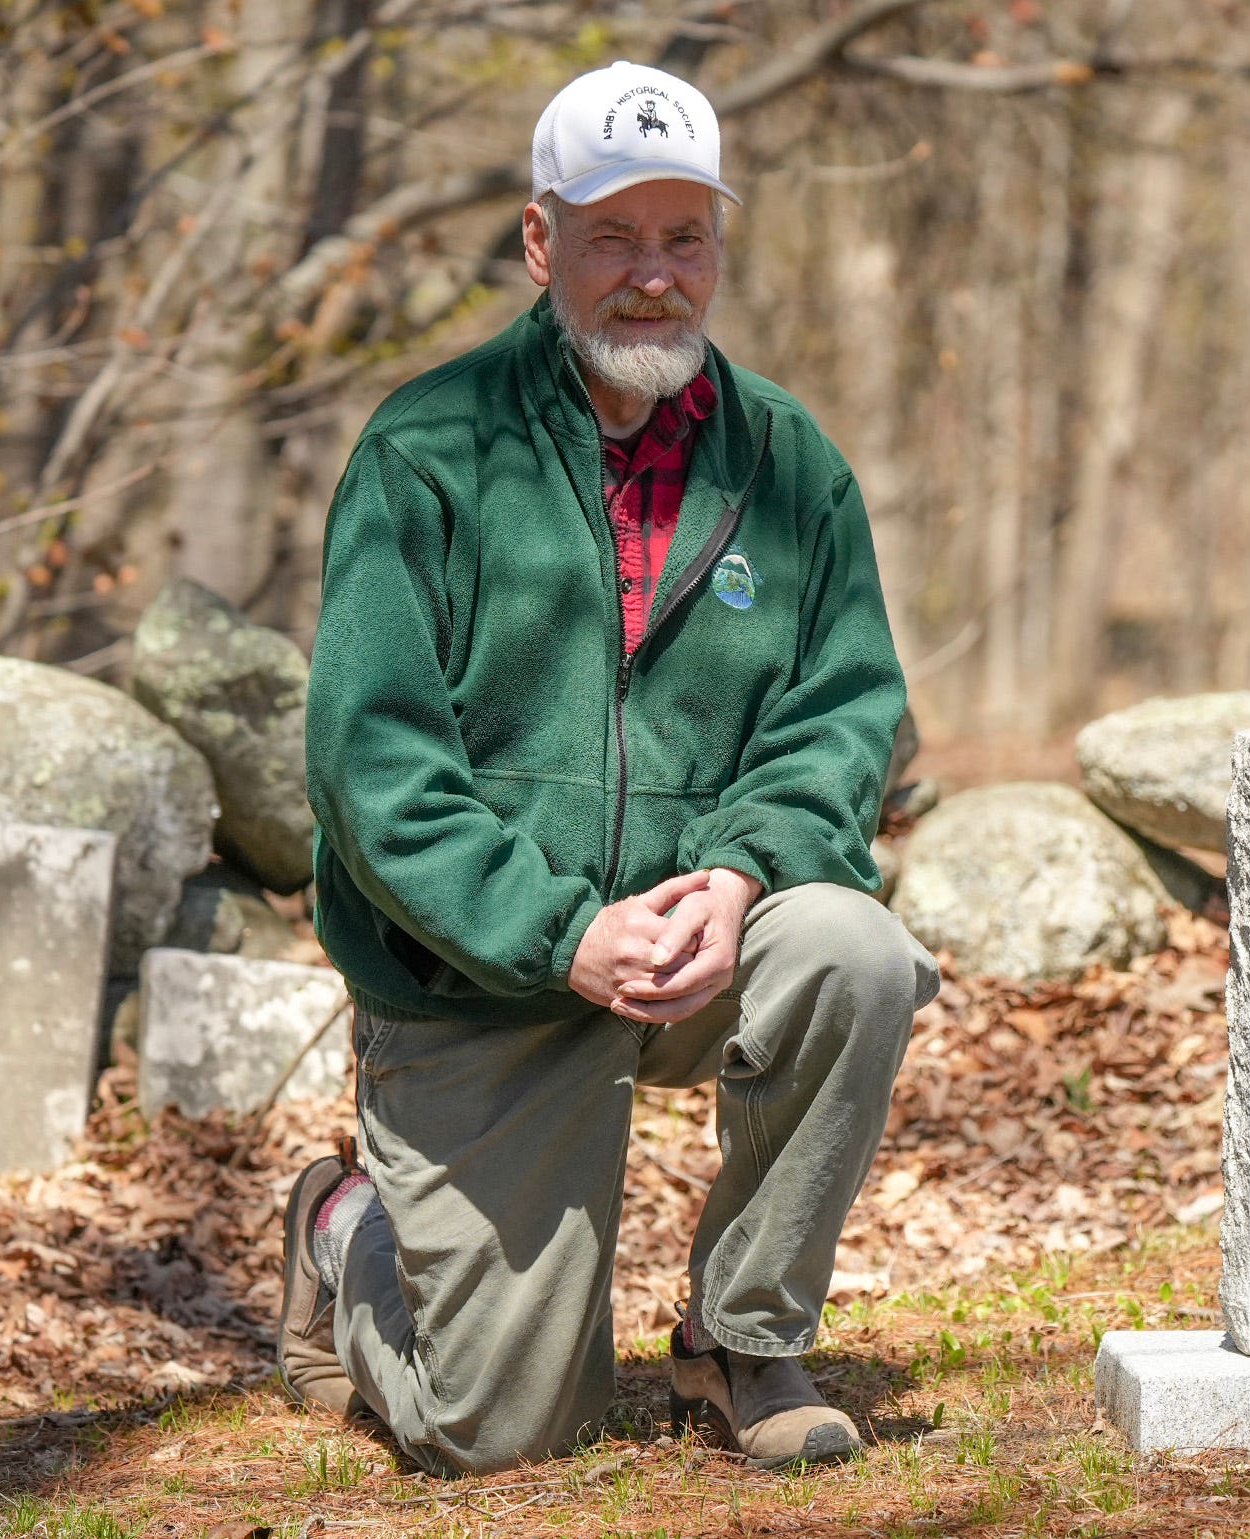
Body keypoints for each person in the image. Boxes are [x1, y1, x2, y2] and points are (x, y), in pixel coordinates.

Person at [279, 60, 938, 1477]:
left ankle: (741, 1333)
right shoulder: (428, 452)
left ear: (718, 246)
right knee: (498, 1434)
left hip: (701, 936)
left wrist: (744, 862)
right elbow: (371, 760)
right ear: (540, 242)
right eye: (614, 237)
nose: (655, 278)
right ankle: (344, 1234)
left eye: (684, 236)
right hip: (483, 972)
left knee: (854, 953)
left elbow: (844, 711)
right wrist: (559, 930)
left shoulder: (789, 465)